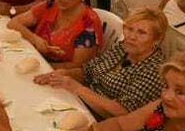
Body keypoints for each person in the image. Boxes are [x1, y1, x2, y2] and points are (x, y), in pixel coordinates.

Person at [37, 8, 168, 116]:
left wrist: (76, 87)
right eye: (129, 29)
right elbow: (88, 71)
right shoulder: (124, 47)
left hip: (104, 121)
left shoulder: (154, 71)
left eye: (141, 33)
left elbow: (122, 111)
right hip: (82, 103)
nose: (131, 37)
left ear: (156, 40)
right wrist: (63, 73)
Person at [8, 0, 104, 67]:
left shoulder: (89, 24)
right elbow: (13, 23)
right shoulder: (50, 5)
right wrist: (35, 39)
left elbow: (78, 67)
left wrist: (42, 66)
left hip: (59, 75)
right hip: (36, 62)